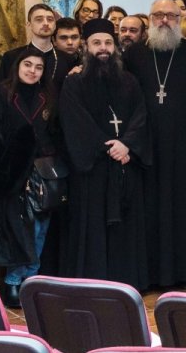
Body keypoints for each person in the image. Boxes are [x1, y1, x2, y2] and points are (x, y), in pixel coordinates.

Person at [122, 0, 186, 288]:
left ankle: (181, 273)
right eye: (158, 15)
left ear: (179, 19)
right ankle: (147, 273)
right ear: (149, 19)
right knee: (147, 209)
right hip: (145, 145)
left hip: (183, 145)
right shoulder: (134, 54)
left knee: (181, 208)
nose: (164, 21)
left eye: (170, 16)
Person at [58, 18, 150, 288]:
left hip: (124, 165)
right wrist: (107, 146)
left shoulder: (129, 81)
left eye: (108, 43)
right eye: (96, 43)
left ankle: (125, 282)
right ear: (85, 46)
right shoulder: (74, 83)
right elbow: (75, 121)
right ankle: (93, 282)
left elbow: (141, 115)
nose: (103, 48)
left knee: (125, 227)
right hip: (93, 170)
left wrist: (127, 144)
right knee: (92, 226)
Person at [0, 50, 55, 308]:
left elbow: (56, 129)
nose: (32, 71)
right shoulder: (2, 91)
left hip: (42, 170)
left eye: (38, 67)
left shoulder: (49, 94)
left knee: (40, 228)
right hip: (13, 170)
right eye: (27, 65)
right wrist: (7, 148)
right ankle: (13, 281)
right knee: (18, 230)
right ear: (17, 66)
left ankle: (31, 279)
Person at [0, 4, 63, 88]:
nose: (46, 23)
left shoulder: (67, 59)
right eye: (39, 19)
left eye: (50, 19)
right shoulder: (11, 57)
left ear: (55, 26)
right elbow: (1, 90)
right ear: (29, 25)